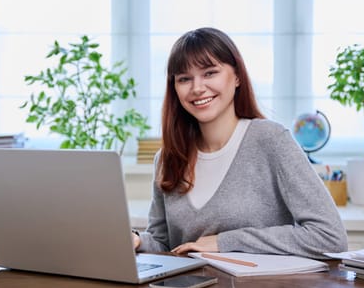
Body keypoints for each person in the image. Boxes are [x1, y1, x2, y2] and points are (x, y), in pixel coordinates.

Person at [132, 27, 348, 259]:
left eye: (210, 73)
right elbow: (165, 245)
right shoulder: (167, 159)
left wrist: (224, 242)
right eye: (184, 79)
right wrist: (136, 241)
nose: (197, 88)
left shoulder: (271, 140)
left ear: (236, 77)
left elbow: (330, 237)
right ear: (174, 88)